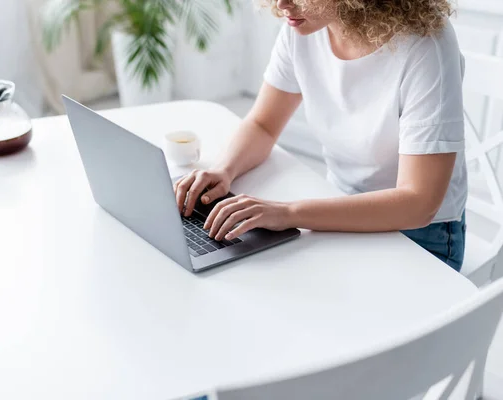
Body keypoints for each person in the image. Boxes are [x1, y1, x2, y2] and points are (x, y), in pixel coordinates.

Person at [173, 0, 467, 271]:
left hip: (420, 235)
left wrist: (288, 214)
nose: (281, 5)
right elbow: (263, 124)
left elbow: (418, 203)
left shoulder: (427, 46)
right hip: (337, 201)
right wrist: (223, 170)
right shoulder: (305, 25)